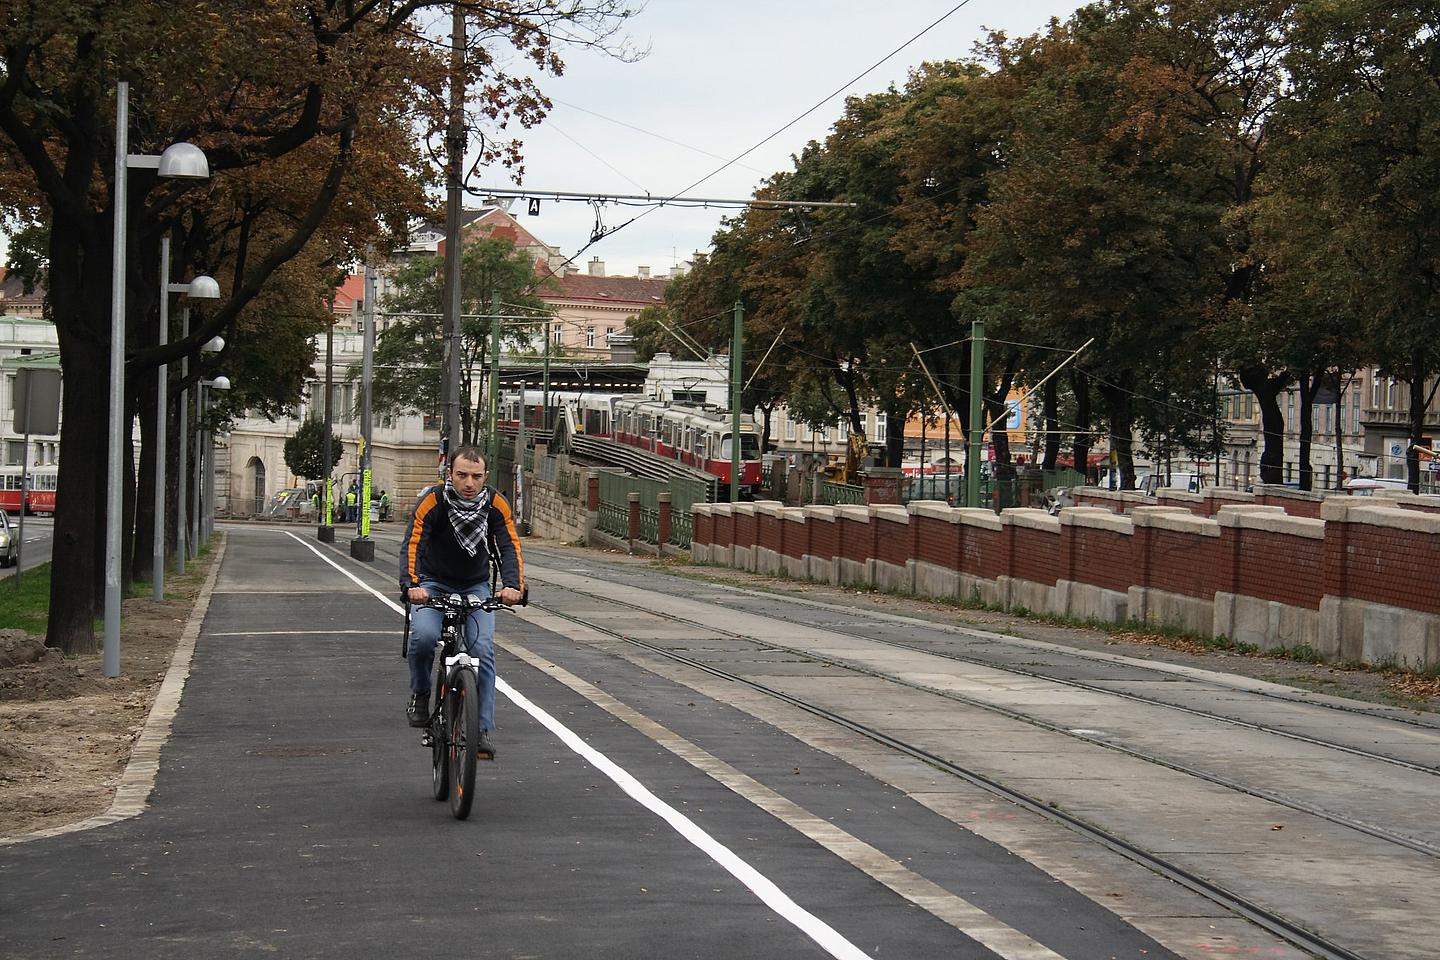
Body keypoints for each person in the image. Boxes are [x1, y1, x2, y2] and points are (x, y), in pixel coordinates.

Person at [399, 446, 524, 758]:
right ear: (449, 474)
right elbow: (414, 542)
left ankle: (480, 729)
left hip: (475, 586)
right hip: (431, 583)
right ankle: (421, 693)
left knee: (482, 650)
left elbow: (509, 545)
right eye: (462, 475)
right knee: (425, 636)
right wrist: (412, 585)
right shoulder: (433, 501)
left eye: (476, 476)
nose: (470, 483)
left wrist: (512, 586)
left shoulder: (495, 503)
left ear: (485, 477)